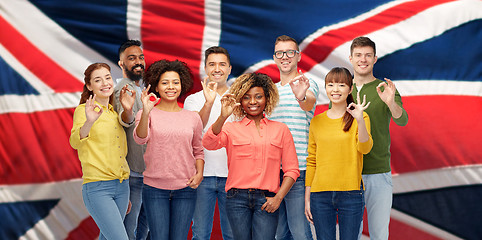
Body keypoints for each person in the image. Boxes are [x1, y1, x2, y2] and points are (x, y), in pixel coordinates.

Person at [202, 72, 300, 240]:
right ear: (240, 100)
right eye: (247, 97)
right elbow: (209, 143)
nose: (253, 102)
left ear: (267, 98)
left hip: (267, 199)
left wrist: (278, 198)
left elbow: (292, 170)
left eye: (258, 97)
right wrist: (223, 116)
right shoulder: (231, 128)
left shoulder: (281, 129)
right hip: (236, 199)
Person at [133, 59, 204, 240]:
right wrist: (147, 111)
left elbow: (198, 149)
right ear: (156, 86)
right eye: (165, 83)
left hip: (186, 188)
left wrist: (199, 173)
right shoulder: (145, 113)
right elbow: (141, 138)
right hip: (154, 188)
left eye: (175, 82)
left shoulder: (192, 118)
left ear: (182, 85)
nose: (170, 87)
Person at [349, 36, 409, 240]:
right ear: (351, 58)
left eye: (367, 55)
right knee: (351, 234)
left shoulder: (385, 89)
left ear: (375, 59)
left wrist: (391, 103)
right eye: (358, 55)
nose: (363, 59)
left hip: (378, 173)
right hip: (348, 174)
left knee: (379, 234)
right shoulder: (341, 89)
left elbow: (402, 120)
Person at [304, 67, 373, 240]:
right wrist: (307, 197)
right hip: (320, 194)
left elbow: (365, 149)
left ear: (350, 89)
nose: (335, 89)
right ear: (326, 88)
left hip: (351, 192)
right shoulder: (317, 121)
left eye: (341, 85)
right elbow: (312, 160)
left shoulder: (361, 118)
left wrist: (359, 119)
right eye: (331, 85)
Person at [70, 63, 136, 240]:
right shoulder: (83, 111)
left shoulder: (114, 114)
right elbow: (75, 141)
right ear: (90, 86)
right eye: (98, 80)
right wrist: (90, 121)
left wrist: (124, 191)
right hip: (98, 187)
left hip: (122, 187)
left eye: (107, 77)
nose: (105, 83)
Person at [269, 35, 318, 240]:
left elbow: (309, 102)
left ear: (298, 56)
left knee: (299, 231)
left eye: (290, 52)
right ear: (275, 57)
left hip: (299, 169)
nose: (285, 57)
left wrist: (301, 96)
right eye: (280, 53)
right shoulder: (270, 91)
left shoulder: (307, 83)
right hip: (273, 171)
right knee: (279, 234)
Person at [184, 46, 234, 240]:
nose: (217, 69)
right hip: (201, 175)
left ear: (230, 68)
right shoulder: (193, 100)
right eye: (212, 64)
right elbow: (195, 128)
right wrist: (209, 102)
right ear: (205, 68)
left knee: (232, 234)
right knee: (200, 233)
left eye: (222, 64)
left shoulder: (239, 99)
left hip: (233, 176)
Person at [113, 39, 149, 240]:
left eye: (141, 57)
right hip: (133, 173)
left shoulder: (140, 90)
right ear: (121, 64)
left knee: (143, 227)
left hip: (146, 172)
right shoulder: (122, 90)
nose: (138, 61)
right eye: (131, 58)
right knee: (130, 229)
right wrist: (127, 112)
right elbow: (124, 120)